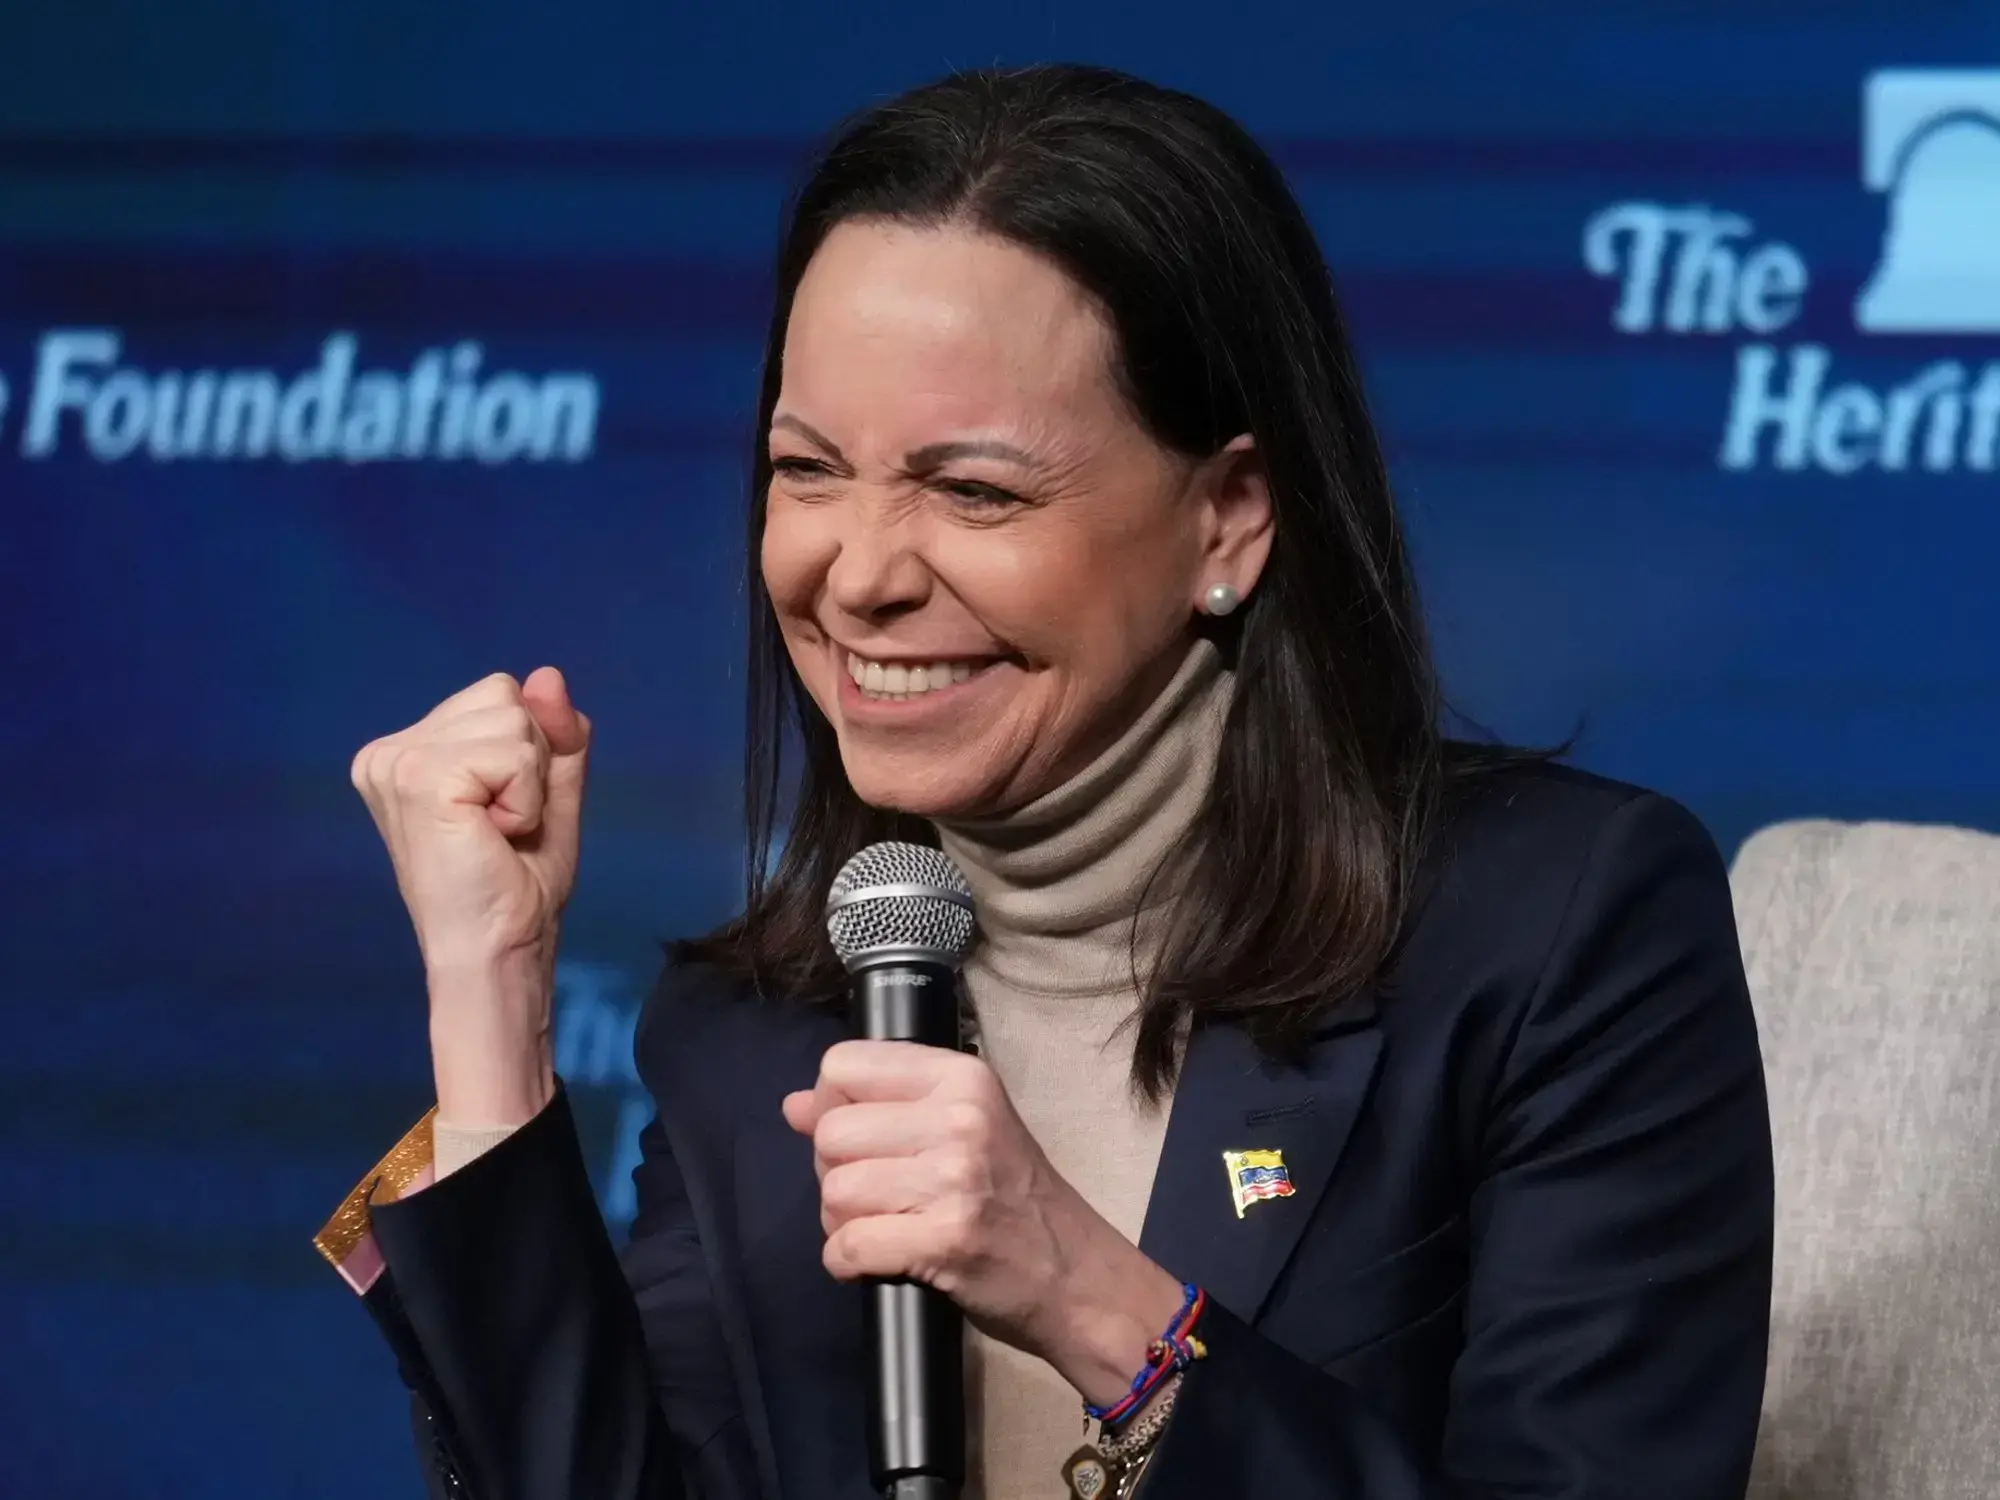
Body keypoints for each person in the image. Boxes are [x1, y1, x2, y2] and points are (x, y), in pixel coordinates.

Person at [318, 62, 1774, 1500]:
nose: (861, 574)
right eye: (809, 469)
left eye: (975, 492)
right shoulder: (761, 1028)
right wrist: (491, 1000)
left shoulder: (1558, 931)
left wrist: (1084, 1292)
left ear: (1229, 521)